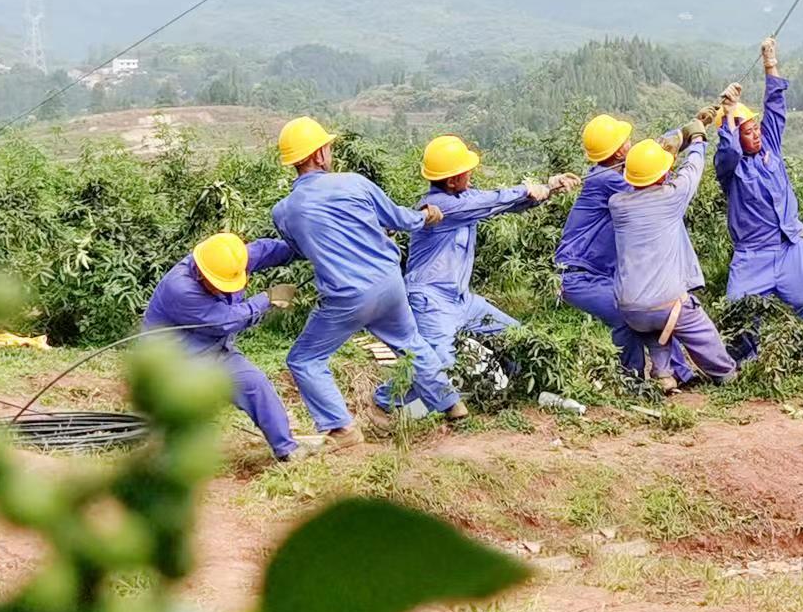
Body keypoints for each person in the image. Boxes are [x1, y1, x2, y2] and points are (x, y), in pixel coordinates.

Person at [268, 116, 456, 447]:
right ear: (318, 155)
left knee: (304, 359)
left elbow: (301, 250)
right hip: (389, 284)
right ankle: (452, 404)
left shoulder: (284, 211)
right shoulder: (354, 182)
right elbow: (399, 219)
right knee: (411, 342)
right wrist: (426, 215)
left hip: (346, 297)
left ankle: (341, 429)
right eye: (327, 147)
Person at [373, 134, 578, 415]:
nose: (471, 173)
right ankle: (383, 402)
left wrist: (548, 189)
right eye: (466, 170)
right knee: (437, 365)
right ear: (452, 179)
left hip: (462, 301)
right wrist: (527, 188)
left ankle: (513, 391)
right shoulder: (443, 207)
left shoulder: (462, 197)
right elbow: (492, 200)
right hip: (431, 302)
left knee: (516, 337)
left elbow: (499, 204)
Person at [142, 231, 313, 462]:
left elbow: (268, 251)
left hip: (215, 351)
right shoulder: (181, 288)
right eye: (216, 284)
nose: (221, 288)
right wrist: (268, 298)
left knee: (255, 384)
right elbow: (225, 321)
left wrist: (311, 245)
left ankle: (287, 450)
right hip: (175, 362)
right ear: (201, 273)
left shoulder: (230, 260)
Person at [554, 114, 694, 385]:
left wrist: (684, 132)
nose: (630, 142)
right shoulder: (606, 180)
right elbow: (649, 177)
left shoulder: (611, 174)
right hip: (579, 277)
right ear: (619, 149)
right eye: (626, 139)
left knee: (650, 306)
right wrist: (683, 142)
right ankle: (632, 380)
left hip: (602, 274)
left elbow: (646, 161)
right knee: (625, 315)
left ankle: (677, 373)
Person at [714, 36, 803, 355]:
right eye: (748, 132)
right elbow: (728, 149)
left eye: (756, 128)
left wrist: (770, 63)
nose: (756, 134)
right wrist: (730, 113)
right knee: (740, 309)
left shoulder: (770, 149)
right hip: (752, 255)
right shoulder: (731, 170)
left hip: (789, 246)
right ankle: (747, 364)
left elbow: (775, 110)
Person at [610, 126, 738, 386]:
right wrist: (698, 138)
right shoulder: (672, 197)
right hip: (666, 305)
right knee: (700, 331)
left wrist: (672, 140)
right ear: (664, 174)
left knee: (654, 325)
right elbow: (692, 169)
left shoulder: (618, 204)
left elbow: (637, 174)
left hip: (629, 308)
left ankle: (663, 373)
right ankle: (726, 374)